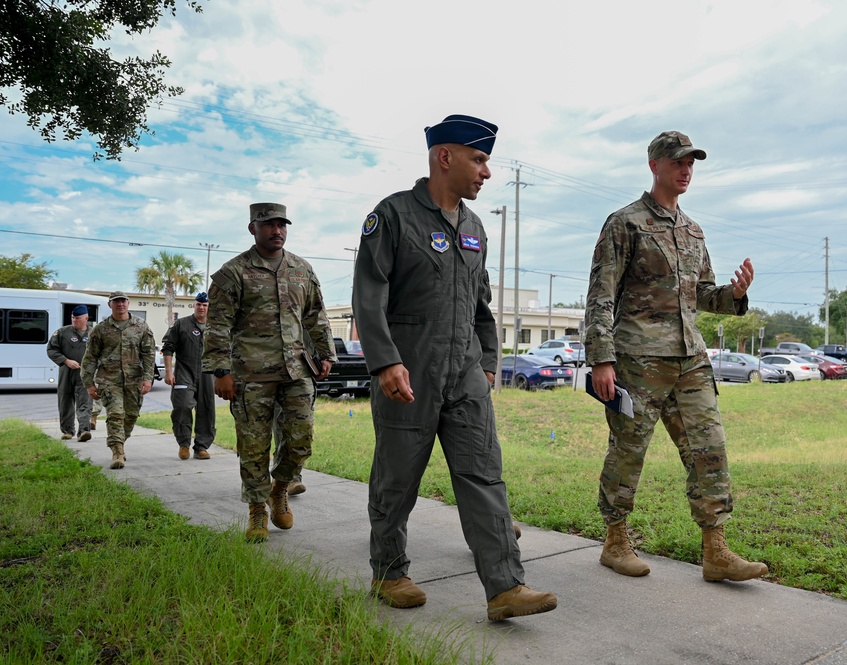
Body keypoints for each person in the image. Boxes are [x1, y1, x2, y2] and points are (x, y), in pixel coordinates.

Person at [352, 114, 557, 621]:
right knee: (397, 479)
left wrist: (486, 364)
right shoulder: (394, 216)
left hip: (464, 373)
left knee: (483, 474)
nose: (486, 171)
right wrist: (386, 362)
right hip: (409, 373)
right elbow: (368, 297)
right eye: (480, 159)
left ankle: (506, 586)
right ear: (445, 157)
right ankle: (389, 571)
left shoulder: (475, 227)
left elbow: (481, 307)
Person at [584, 130, 768, 583]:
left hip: (690, 359)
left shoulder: (692, 230)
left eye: (691, 163)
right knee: (628, 452)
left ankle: (716, 550)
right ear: (655, 165)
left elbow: (702, 294)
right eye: (678, 162)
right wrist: (601, 360)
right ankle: (615, 541)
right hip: (638, 361)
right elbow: (601, 294)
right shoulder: (624, 223)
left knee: (710, 451)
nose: (686, 170)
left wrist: (734, 294)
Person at [203, 202, 335, 543]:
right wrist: (220, 371)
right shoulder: (232, 273)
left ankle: (280, 488)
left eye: (281, 224)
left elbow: (316, 315)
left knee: (301, 439)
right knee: (253, 446)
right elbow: (217, 326)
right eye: (268, 225)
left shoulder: (301, 270)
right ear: (252, 228)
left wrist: (326, 353)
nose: (277, 230)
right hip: (250, 374)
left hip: (296, 371)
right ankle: (258, 509)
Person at [81, 291, 156, 469]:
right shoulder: (100, 329)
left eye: (123, 301)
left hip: (134, 380)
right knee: (115, 414)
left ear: (128, 303)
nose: (120, 304)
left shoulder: (141, 326)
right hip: (109, 379)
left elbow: (149, 354)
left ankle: (121, 441)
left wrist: (147, 378)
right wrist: (89, 384)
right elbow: (90, 357)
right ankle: (117, 452)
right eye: (116, 302)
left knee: (130, 416)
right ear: (110, 305)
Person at [161, 291, 216, 460]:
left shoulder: (216, 327)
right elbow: (168, 347)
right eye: (199, 304)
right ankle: (184, 443)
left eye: (205, 305)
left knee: (206, 410)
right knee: (182, 406)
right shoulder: (182, 324)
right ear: (194, 305)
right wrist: (169, 372)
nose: (201, 308)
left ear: (209, 307)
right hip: (184, 372)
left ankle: (201, 447)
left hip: (208, 373)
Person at [46, 304, 95, 442]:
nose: (74, 320)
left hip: (85, 374)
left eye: (78, 318)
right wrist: (66, 361)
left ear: (86, 318)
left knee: (85, 401)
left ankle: (84, 431)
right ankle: (68, 431)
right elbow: (51, 350)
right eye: (73, 317)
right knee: (65, 400)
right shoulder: (62, 332)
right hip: (66, 372)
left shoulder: (93, 334)